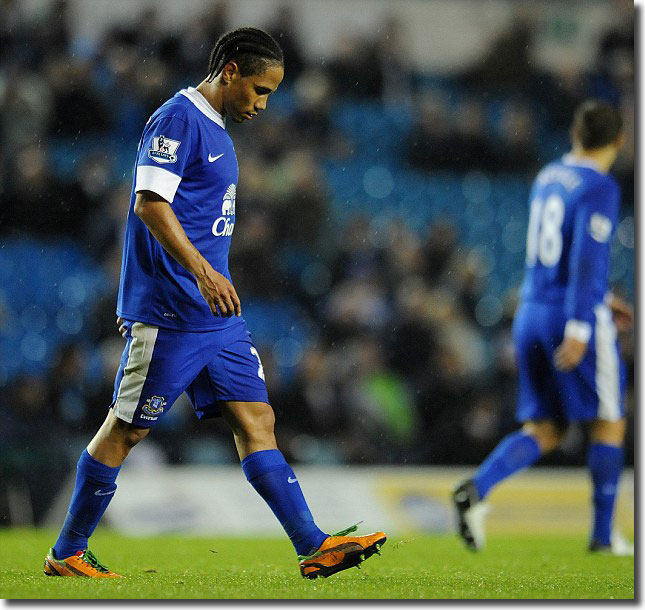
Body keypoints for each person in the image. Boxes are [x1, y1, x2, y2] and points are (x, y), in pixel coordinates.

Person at [43, 27, 386, 580]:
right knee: (126, 429)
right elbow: (150, 204)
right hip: (172, 310)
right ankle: (68, 551)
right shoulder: (177, 119)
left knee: (257, 419)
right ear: (229, 71)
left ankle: (313, 545)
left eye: (270, 93)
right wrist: (203, 272)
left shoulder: (219, 128)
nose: (263, 104)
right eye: (258, 89)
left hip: (217, 316)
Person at [453, 100, 633, 555]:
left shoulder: (548, 176)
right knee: (609, 420)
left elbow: (551, 254)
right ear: (619, 141)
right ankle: (602, 536)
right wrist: (581, 323)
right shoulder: (600, 186)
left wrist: (596, 300)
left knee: (546, 428)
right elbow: (586, 259)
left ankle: (477, 489)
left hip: (531, 309)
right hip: (570, 313)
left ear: (574, 134)